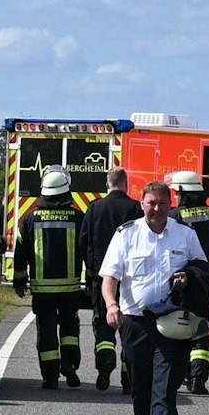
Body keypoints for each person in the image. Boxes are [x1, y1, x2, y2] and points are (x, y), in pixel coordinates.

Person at [101, 180, 206, 415]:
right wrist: (111, 306)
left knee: (165, 391)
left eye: (162, 203)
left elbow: (204, 270)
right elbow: (110, 277)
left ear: (170, 204)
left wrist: (189, 276)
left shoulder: (186, 235)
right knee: (142, 390)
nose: (156, 209)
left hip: (173, 324)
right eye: (151, 203)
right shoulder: (126, 235)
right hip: (135, 322)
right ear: (142, 203)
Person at [16, 170, 89, 389]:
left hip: (43, 291)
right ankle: (70, 367)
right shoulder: (78, 218)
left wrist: (19, 280)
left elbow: (21, 253)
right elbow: (88, 250)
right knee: (69, 330)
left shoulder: (29, 219)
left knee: (46, 331)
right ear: (66, 191)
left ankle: (50, 377)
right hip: (70, 290)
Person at [82, 166, 145, 391]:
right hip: (130, 280)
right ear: (125, 184)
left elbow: (84, 242)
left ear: (108, 184)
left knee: (103, 325)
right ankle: (128, 377)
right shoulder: (135, 208)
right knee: (129, 328)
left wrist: (90, 273)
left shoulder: (94, 208)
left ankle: (105, 365)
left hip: (102, 279)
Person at [168, 169, 209, 393]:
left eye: (177, 193)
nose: (175, 197)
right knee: (205, 329)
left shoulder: (175, 217)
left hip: (186, 282)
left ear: (184, 194)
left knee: (184, 328)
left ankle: (185, 372)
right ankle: (198, 377)